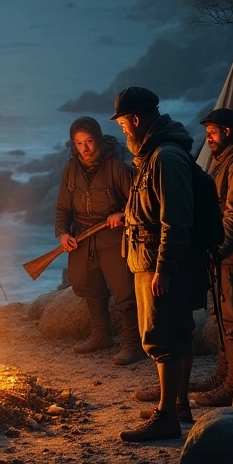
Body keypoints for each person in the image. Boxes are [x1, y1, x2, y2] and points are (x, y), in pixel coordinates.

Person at [113, 87, 197, 442]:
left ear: (135, 119)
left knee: (162, 337)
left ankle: (166, 419)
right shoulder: (153, 155)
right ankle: (176, 406)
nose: (122, 131)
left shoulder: (165, 159)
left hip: (157, 264)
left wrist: (163, 269)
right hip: (149, 260)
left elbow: (175, 221)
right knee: (176, 333)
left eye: (122, 124)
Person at [56, 117, 143, 365]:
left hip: (112, 237)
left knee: (124, 289)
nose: (84, 149)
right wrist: (63, 233)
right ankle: (101, 336)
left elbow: (138, 204)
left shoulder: (117, 167)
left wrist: (122, 215)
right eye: (79, 143)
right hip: (82, 236)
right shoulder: (70, 169)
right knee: (87, 285)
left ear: (98, 140)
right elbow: (63, 207)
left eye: (89, 142)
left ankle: (132, 345)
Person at [191, 108, 233, 406]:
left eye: (212, 132)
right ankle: (224, 376)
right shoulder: (226, 164)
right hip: (225, 257)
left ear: (228, 132)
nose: (208, 138)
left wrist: (216, 250)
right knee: (221, 316)